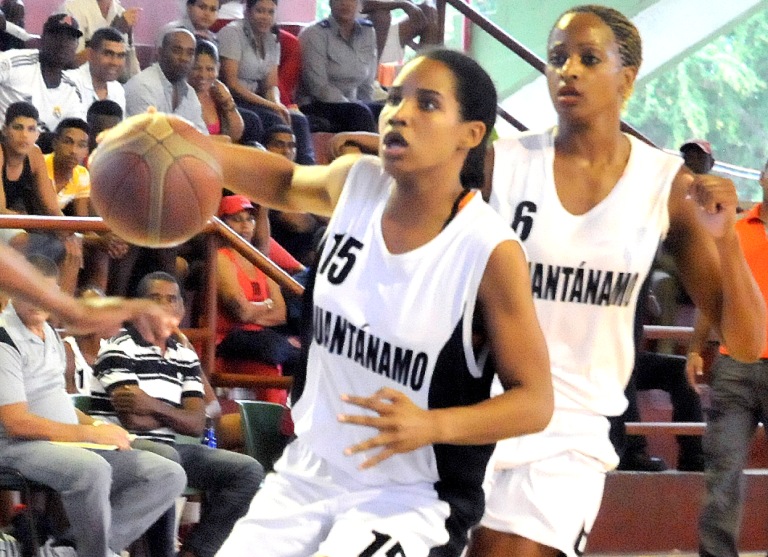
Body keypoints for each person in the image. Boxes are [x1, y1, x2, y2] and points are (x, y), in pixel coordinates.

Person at [197, 47, 554, 557]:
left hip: (410, 499)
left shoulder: (488, 251)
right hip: (308, 473)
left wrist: (435, 425)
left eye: (427, 104)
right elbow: (285, 180)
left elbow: (535, 401)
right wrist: (186, 145)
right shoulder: (357, 184)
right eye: (394, 99)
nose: (399, 114)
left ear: (470, 135)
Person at [468, 6, 765, 557]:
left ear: (626, 78)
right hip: (479, 405)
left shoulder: (663, 185)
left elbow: (745, 339)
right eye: (558, 59)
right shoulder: (500, 165)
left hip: (574, 426)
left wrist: (725, 239)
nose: (568, 71)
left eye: (588, 58)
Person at [0, 254, 187, 557]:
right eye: (28, 294)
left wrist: (99, 427)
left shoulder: (49, 334)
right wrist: (90, 436)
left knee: (166, 473)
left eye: (44, 295)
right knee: (93, 470)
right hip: (16, 445)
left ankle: (71, 551)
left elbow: (56, 402)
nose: (37, 303)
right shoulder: (4, 338)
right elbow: (17, 422)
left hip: (61, 442)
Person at [94, 271, 263, 557]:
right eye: (154, 299)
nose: (163, 306)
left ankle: (194, 552)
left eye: (171, 299)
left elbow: (197, 424)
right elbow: (134, 421)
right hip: (125, 446)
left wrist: (151, 405)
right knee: (167, 459)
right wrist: (174, 414)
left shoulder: (184, 354)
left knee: (248, 470)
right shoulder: (117, 349)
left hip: (174, 446)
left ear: (181, 309)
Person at [688, 157, 768, 557]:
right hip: (734, 365)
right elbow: (713, 299)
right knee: (723, 472)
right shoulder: (733, 230)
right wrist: (693, 349)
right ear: (763, 177)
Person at [217, 0, 315, 163]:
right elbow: (231, 84)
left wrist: (278, 105)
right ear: (247, 11)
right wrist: (271, 106)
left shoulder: (273, 37)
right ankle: (270, 171)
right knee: (269, 120)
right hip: (232, 98)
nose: (265, 17)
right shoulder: (232, 33)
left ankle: (307, 172)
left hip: (257, 99)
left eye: (270, 12)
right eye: (260, 11)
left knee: (298, 119)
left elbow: (270, 84)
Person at [215, 194, 301, 379]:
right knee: (274, 346)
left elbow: (281, 314)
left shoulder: (260, 259)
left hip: (257, 336)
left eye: (250, 219)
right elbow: (241, 312)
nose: (245, 225)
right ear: (223, 223)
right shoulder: (221, 257)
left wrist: (253, 312)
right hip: (227, 337)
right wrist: (268, 305)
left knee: (297, 352)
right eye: (236, 219)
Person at [297, 0, 382, 133]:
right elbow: (318, 88)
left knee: (384, 112)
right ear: (330, 3)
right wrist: (352, 104)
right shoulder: (314, 33)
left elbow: (366, 84)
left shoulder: (368, 31)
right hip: (316, 104)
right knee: (359, 113)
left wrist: (366, 104)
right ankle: (366, 153)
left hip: (352, 104)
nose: (345, 3)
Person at [0, 14, 86, 135]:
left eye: (70, 38)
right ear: (43, 38)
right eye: (57, 35)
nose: (63, 43)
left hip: (45, 150)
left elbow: (75, 134)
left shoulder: (72, 90)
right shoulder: (12, 62)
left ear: (76, 45)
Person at [263, 124, 326, 267]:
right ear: (266, 147)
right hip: (286, 252)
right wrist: (316, 212)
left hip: (312, 246)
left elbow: (330, 216)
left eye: (291, 146)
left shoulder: (301, 177)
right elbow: (297, 223)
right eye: (279, 145)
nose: (286, 151)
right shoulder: (264, 179)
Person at [124, 28, 207, 133]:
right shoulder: (143, 86)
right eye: (177, 51)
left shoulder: (189, 93)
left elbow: (201, 136)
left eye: (190, 53)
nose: (184, 58)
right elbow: (150, 139)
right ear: (160, 52)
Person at [58, 0, 141, 71]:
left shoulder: (120, 11)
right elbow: (71, 64)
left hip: (112, 84)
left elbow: (128, 70)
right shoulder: (72, 7)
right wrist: (114, 32)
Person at [189, 38, 245, 142]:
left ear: (218, 69)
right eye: (197, 68)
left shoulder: (217, 93)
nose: (203, 75)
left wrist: (228, 101)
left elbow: (235, 135)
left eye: (210, 69)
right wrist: (221, 140)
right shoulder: (180, 94)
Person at [69, 26, 127, 114]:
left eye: (120, 56)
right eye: (108, 54)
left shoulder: (117, 89)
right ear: (90, 54)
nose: (115, 62)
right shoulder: (70, 83)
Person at [361, 0, 440, 64]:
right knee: (381, 16)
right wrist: (403, 4)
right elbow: (361, 5)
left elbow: (412, 7)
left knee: (428, 10)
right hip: (361, 35)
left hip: (386, 32)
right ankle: (371, 75)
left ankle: (425, 73)